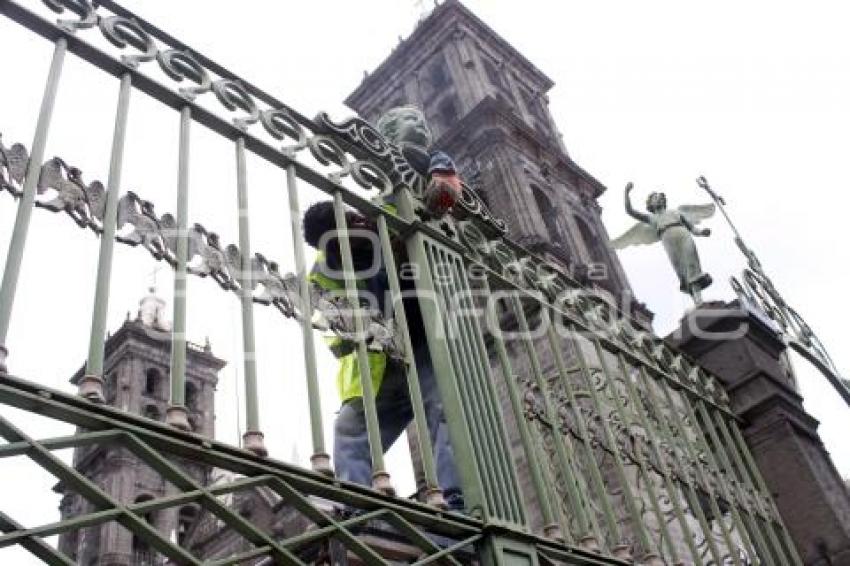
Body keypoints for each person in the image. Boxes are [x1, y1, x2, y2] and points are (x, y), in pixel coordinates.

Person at [301, 105, 465, 510]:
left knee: (443, 412)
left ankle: (458, 501)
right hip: (379, 362)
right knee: (351, 430)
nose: (356, 228)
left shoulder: (390, 208)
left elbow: (421, 168)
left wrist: (443, 169)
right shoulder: (326, 269)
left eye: (354, 220)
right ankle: (355, 509)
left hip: (427, 337)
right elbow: (328, 319)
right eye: (342, 234)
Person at [612, 182, 715, 305]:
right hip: (667, 239)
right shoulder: (651, 218)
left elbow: (692, 228)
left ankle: (699, 300)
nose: (658, 199)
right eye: (655, 198)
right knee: (681, 270)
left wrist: (702, 232)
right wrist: (626, 192)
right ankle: (696, 301)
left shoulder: (676, 212)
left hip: (683, 235)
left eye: (659, 197)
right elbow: (630, 211)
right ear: (650, 204)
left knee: (691, 265)